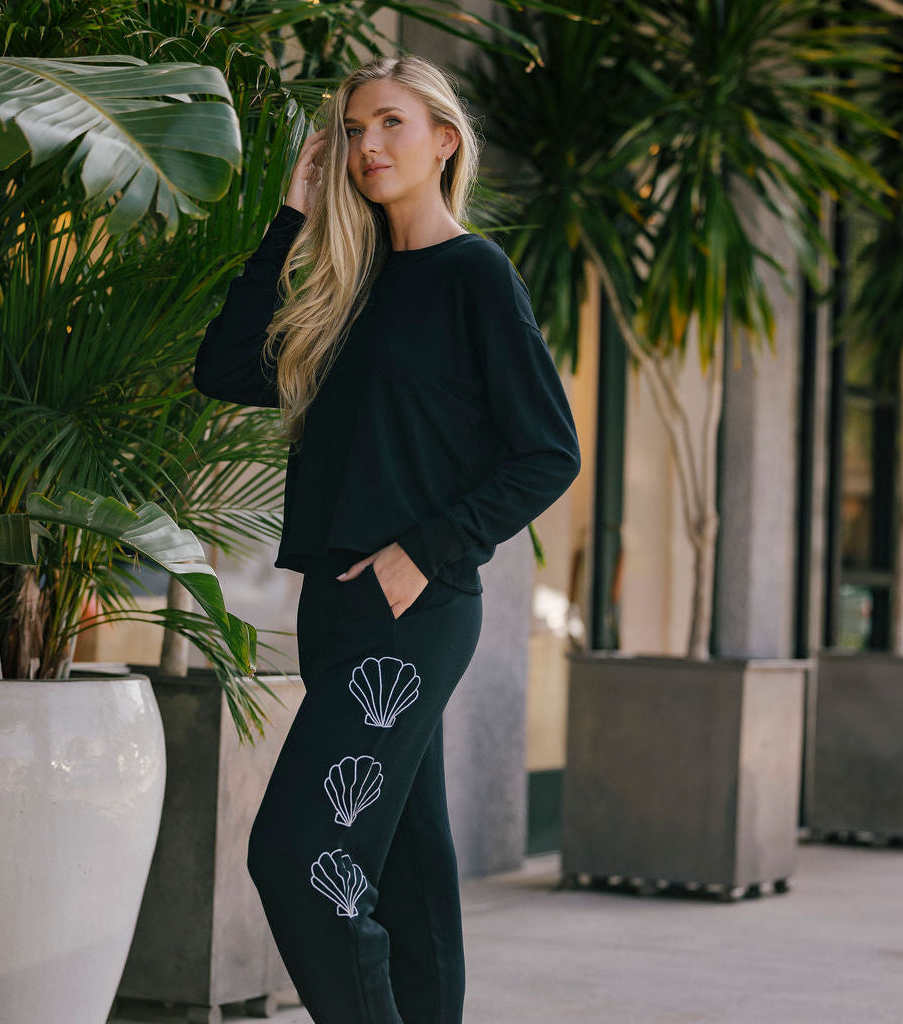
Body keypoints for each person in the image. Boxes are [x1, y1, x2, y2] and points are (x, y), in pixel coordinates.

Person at [194, 53, 580, 1024]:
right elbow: (224, 367)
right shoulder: (348, 289)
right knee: (407, 864)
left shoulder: (474, 276)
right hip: (333, 603)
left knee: (298, 854)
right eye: (353, 130)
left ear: (443, 139)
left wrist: (423, 550)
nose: (368, 145)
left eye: (391, 124)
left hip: (413, 606)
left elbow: (548, 452)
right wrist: (290, 214)